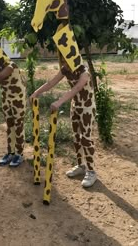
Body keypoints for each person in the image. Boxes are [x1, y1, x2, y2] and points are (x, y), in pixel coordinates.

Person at [29, 54, 97, 187]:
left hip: (87, 108)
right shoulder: (65, 69)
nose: (64, 63)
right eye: (62, 60)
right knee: (76, 137)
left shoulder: (84, 72)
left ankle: (91, 171)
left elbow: (76, 88)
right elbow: (51, 83)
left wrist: (59, 101)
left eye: (67, 60)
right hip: (75, 107)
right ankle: (80, 165)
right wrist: (36, 93)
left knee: (86, 139)